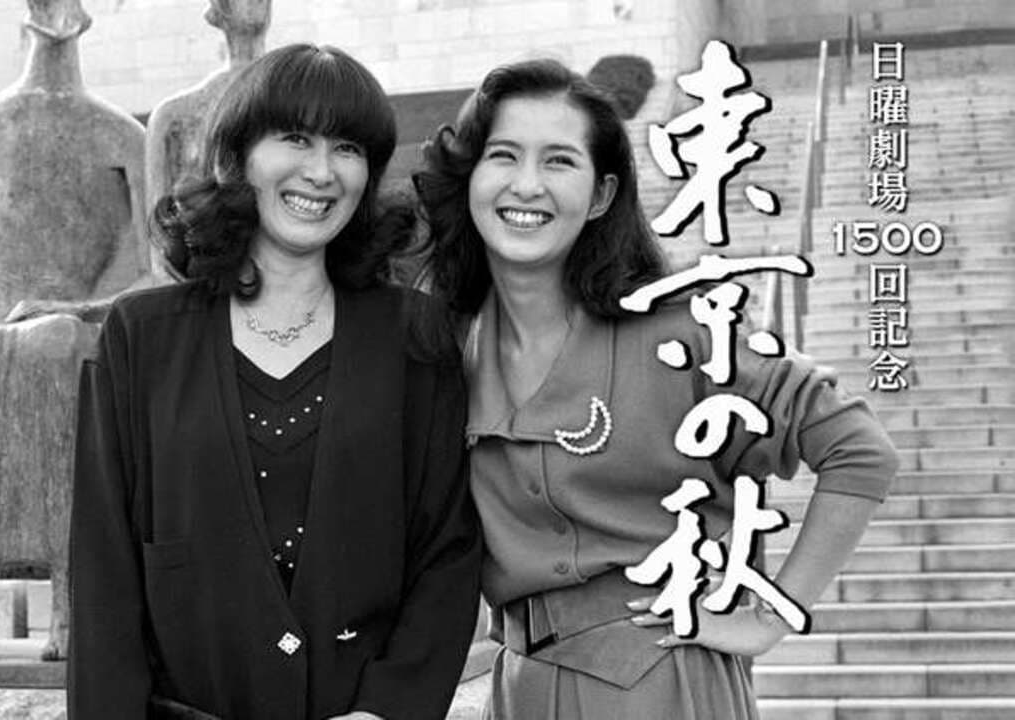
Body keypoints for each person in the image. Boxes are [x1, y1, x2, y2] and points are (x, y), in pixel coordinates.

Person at [415, 58, 898, 719]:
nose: (527, 184)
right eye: (504, 155)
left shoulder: (683, 328)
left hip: (659, 681)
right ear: (470, 177)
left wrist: (770, 615)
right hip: (521, 685)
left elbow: (860, 450)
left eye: (559, 161)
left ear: (601, 195)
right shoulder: (449, 342)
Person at [68, 43, 482, 720]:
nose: (320, 172)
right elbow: (102, 569)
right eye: (294, 138)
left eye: (347, 148)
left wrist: (388, 709)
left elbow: (448, 549)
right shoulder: (142, 336)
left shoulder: (416, 333)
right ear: (238, 156)